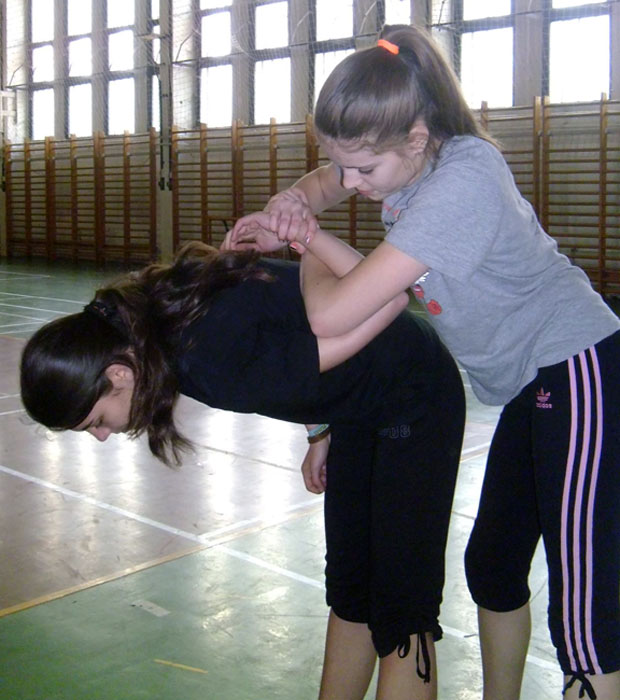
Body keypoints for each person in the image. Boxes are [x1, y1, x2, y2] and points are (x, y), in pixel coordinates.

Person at [227, 23, 620, 700]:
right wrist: (294, 202)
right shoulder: (408, 159)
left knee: (585, 614)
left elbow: (333, 315)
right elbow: (333, 195)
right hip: (529, 383)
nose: (352, 183)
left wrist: (304, 238)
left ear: (414, 136)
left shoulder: (460, 184)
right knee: (493, 565)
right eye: (343, 166)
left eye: (364, 171)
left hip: (578, 368)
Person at [20, 241, 465, 700]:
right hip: (357, 404)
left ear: (118, 374)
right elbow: (283, 327)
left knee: (403, 609)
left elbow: (381, 311)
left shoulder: (208, 362)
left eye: (95, 422)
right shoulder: (150, 320)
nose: (101, 436)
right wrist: (319, 429)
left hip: (415, 393)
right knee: (350, 589)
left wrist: (312, 237)